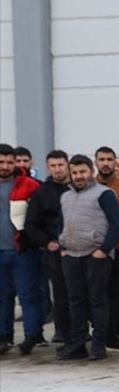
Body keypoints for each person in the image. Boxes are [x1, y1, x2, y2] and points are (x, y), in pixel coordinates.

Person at [56, 155, 119, 360]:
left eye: (82, 172)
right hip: (71, 255)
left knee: (97, 300)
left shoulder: (104, 194)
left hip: (96, 256)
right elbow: (61, 223)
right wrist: (62, 246)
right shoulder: (65, 196)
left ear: (91, 171)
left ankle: (98, 345)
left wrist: (103, 249)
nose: (78, 176)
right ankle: (78, 344)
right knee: (75, 301)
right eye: (74, 172)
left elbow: (116, 224)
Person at [23, 150, 71, 345]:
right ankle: (62, 332)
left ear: (67, 165)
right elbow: (31, 224)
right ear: (47, 167)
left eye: (61, 164)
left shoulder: (76, 189)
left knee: (79, 294)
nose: (58, 169)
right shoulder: (41, 193)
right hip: (55, 251)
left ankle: (81, 331)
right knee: (60, 294)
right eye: (53, 166)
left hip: (78, 250)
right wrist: (47, 242)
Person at [0, 143, 43, 355]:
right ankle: (3, 336)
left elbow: (40, 216)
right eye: (2, 162)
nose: (6, 166)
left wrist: (31, 238)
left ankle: (32, 335)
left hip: (22, 251)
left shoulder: (28, 185)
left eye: (10, 162)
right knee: (3, 296)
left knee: (29, 295)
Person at [95, 146, 119, 349]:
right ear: (96, 162)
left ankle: (113, 332)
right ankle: (97, 332)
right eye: (102, 159)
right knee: (95, 292)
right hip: (95, 249)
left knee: (115, 292)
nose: (106, 163)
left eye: (110, 159)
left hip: (118, 248)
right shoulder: (89, 185)